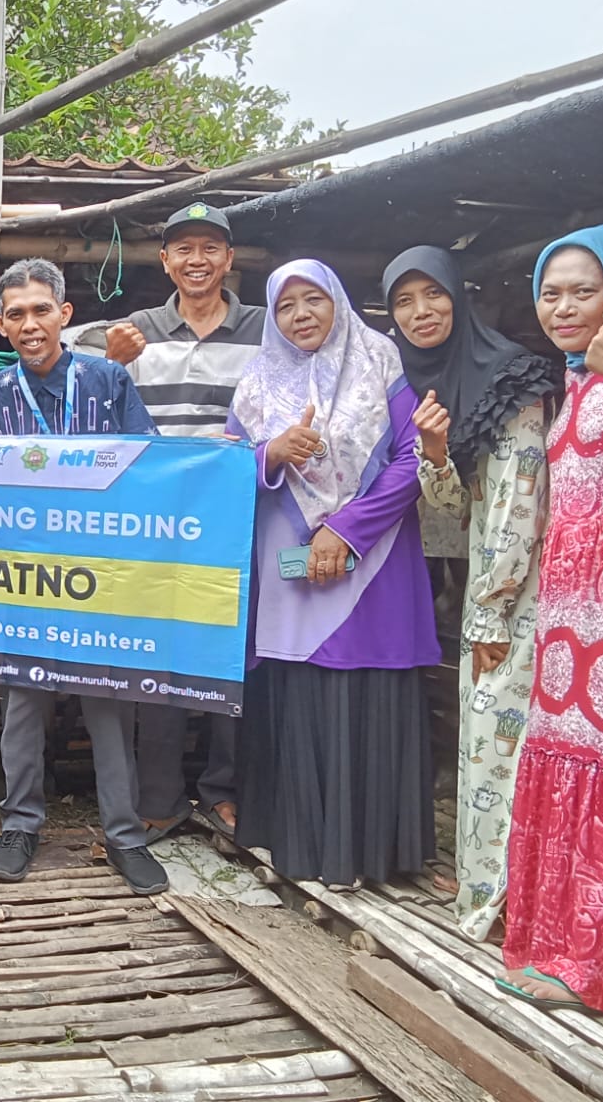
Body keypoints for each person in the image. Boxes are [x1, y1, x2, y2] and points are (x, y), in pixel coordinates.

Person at [227, 259, 438, 890]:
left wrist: (346, 527)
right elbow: (232, 464)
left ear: (338, 299)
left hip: (374, 554)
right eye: (286, 305)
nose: (301, 315)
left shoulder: (381, 359)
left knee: (365, 679)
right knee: (298, 685)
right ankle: (299, 840)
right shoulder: (258, 380)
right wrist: (272, 453)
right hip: (285, 557)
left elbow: (412, 458)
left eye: (312, 298)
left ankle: (373, 851)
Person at [497, 226, 603, 1021]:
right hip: (572, 623)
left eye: (582, 291)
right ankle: (561, 948)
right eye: (549, 292)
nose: (563, 307)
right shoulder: (577, 380)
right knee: (570, 765)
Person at [0, 258, 165, 892]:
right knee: (23, 703)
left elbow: (146, 465)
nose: (30, 325)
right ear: (1, 326)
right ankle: (20, 825)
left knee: (109, 706)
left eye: (41, 311)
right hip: (26, 579)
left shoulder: (107, 380)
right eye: (16, 315)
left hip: (98, 579)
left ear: (65, 316)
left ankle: (124, 836)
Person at [71, 201, 264, 845]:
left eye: (210, 247)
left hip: (241, 519)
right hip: (157, 524)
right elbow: (79, 401)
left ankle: (226, 793)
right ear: (164, 261)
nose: (197, 260)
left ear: (230, 259)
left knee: (232, 656)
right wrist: (112, 365)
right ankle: (160, 799)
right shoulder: (130, 330)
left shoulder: (267, 331)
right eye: (183, 249)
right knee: (158, 654)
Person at [383, 245, 556, 942]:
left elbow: (520, 506)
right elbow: (454, 514)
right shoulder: (436, 386)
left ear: (461, 295)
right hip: (490, 589)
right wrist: (433, 452)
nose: (421, 312)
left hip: (523, 595)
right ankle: (499, 901)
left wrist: (488, 609)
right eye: (404, 301)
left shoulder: (514, 378)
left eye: (433, 295)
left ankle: (507, 904)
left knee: (499, 745)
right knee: (491, 746)